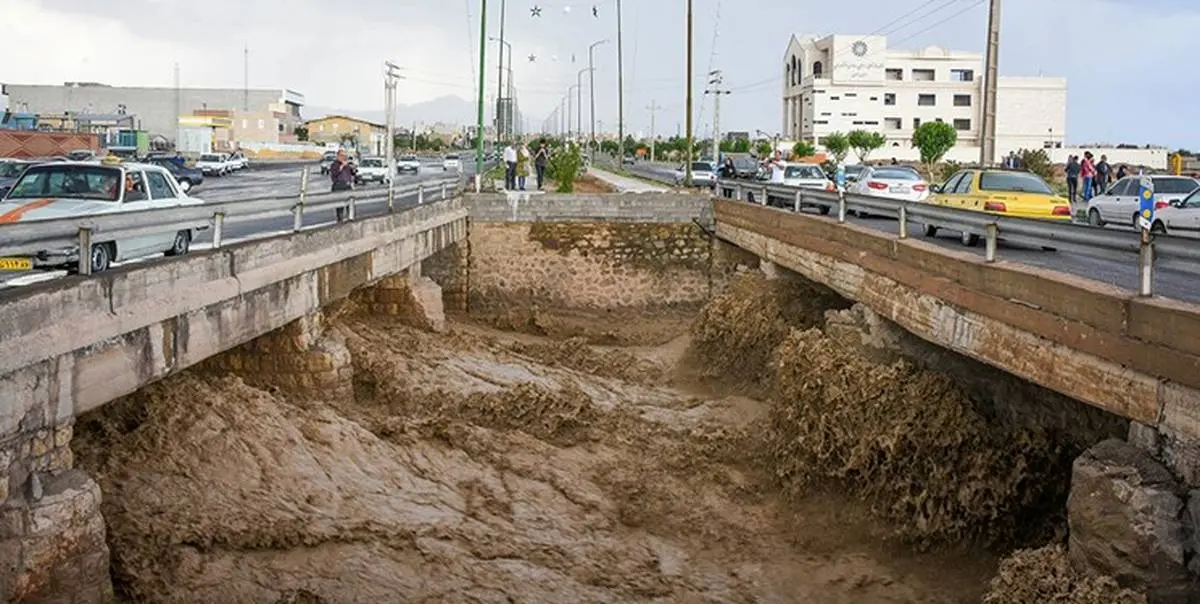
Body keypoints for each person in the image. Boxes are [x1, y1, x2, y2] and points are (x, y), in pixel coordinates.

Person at [329, 149, 357, 221]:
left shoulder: (347, 165)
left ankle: (350, 219)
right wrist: (341, 166)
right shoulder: (334, 164)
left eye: (345, 156)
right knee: (340, 207)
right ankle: (340, 221)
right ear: (338, 156)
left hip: (347, 186)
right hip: (339, 186)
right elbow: (334, 174)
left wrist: (353, 168)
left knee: (350, 205)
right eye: (342, 155)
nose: (343, 157)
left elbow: (353, 173)